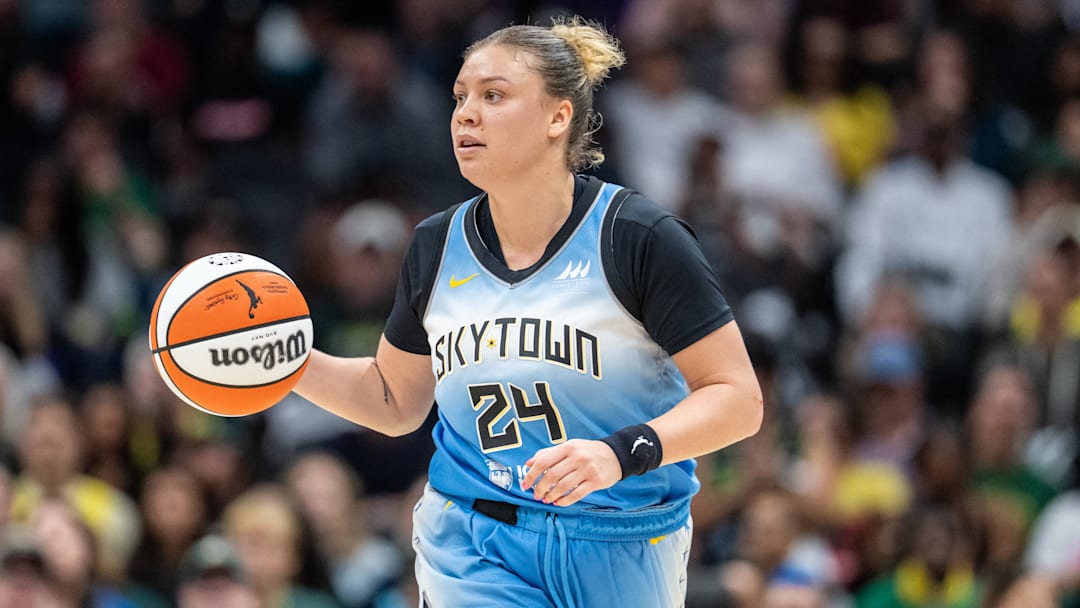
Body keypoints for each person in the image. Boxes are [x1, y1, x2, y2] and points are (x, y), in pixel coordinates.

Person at [293, 16, 762, 608]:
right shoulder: (436, 246)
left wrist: (621, 452)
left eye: (493, 96)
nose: (466, 113)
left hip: (624, 540)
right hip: (473, 537)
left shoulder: (639, 237)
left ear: (557, 116)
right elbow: (393, 401)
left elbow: (738, 399)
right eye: (461, 97)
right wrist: (284, 363)